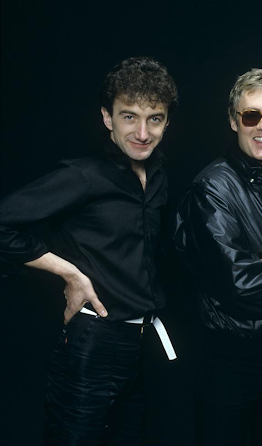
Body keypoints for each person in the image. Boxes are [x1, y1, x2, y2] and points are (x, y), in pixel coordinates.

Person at [0, 56, 178, 444]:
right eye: (129, 116)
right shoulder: (83, 176)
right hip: (93, 341)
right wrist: (70, 274)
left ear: (166, 122)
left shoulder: (158, 176)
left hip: (141, 343)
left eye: (154, 119)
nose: (142, 132)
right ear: (107, 117)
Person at [173, 68, 262, 445]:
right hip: (232, 366)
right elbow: (238, 284)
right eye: (251, 115)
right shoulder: (210, 189)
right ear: (234, 121)